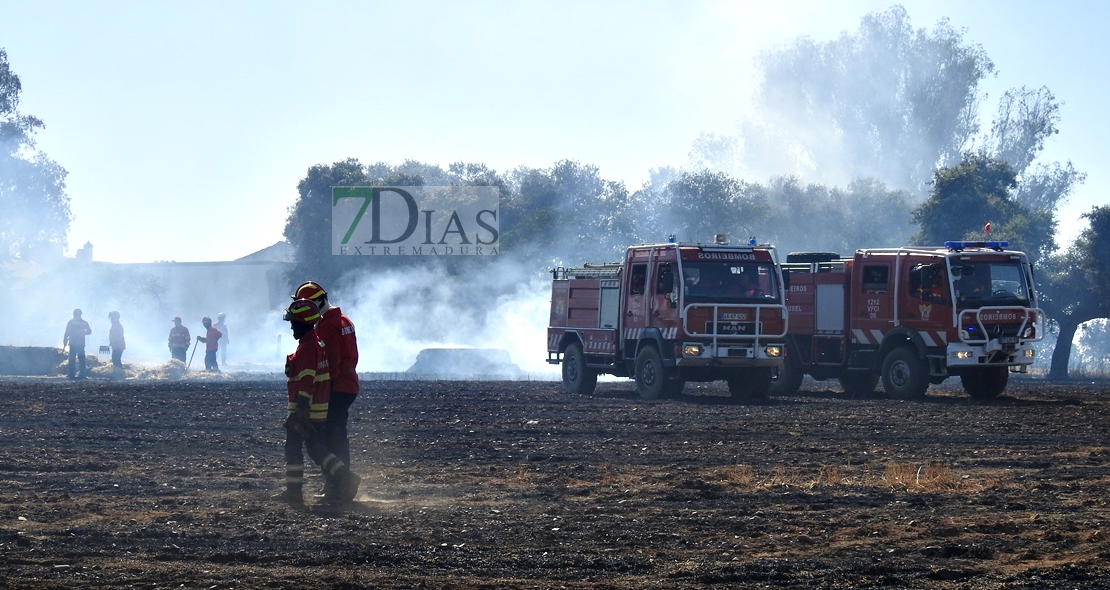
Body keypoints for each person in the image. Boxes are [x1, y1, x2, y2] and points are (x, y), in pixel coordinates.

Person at [273, 298, 360, 506]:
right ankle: (343, 477)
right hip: (317, 410)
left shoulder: (307, 348)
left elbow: (306, 381)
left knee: (294, 450)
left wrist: (301, 412)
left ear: (303, 323)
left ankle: (296, 492)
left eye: (294, 323)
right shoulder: (316, 343)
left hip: (305, 410)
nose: (292, 327)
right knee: (315, 449)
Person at [292, 281, 359, 488]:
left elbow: (331, 364)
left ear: (319, 302)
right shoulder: (343, 319)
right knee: (337, 434)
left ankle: (339, 484)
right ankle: (337, 483)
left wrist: (319, 391)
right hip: (348, 384)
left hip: (337, 386)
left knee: (332, 437)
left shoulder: (328, 325)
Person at [63, 309, 92, 379]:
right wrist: (84, 332)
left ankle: (71, 374)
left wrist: (65, 341)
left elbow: (67, 332)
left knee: (72, 359)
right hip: (80, 344)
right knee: (81, 359)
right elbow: (89, 331)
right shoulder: (84, 322)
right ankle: (82, 374)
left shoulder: (71, 322)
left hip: (73, 343)